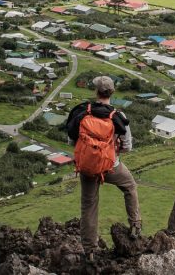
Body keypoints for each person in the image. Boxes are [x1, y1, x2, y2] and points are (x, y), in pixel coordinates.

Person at [66, 75, 141, 254]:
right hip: (111, 166)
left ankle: (90, 250)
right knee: (130, 187)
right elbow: (128, 146)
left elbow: (71, 141)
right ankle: (135, 226)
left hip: (87, 168)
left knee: (89, 206)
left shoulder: (81, 113)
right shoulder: (118, 117)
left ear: (96, 92)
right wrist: (110, 153)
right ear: (112, 92)